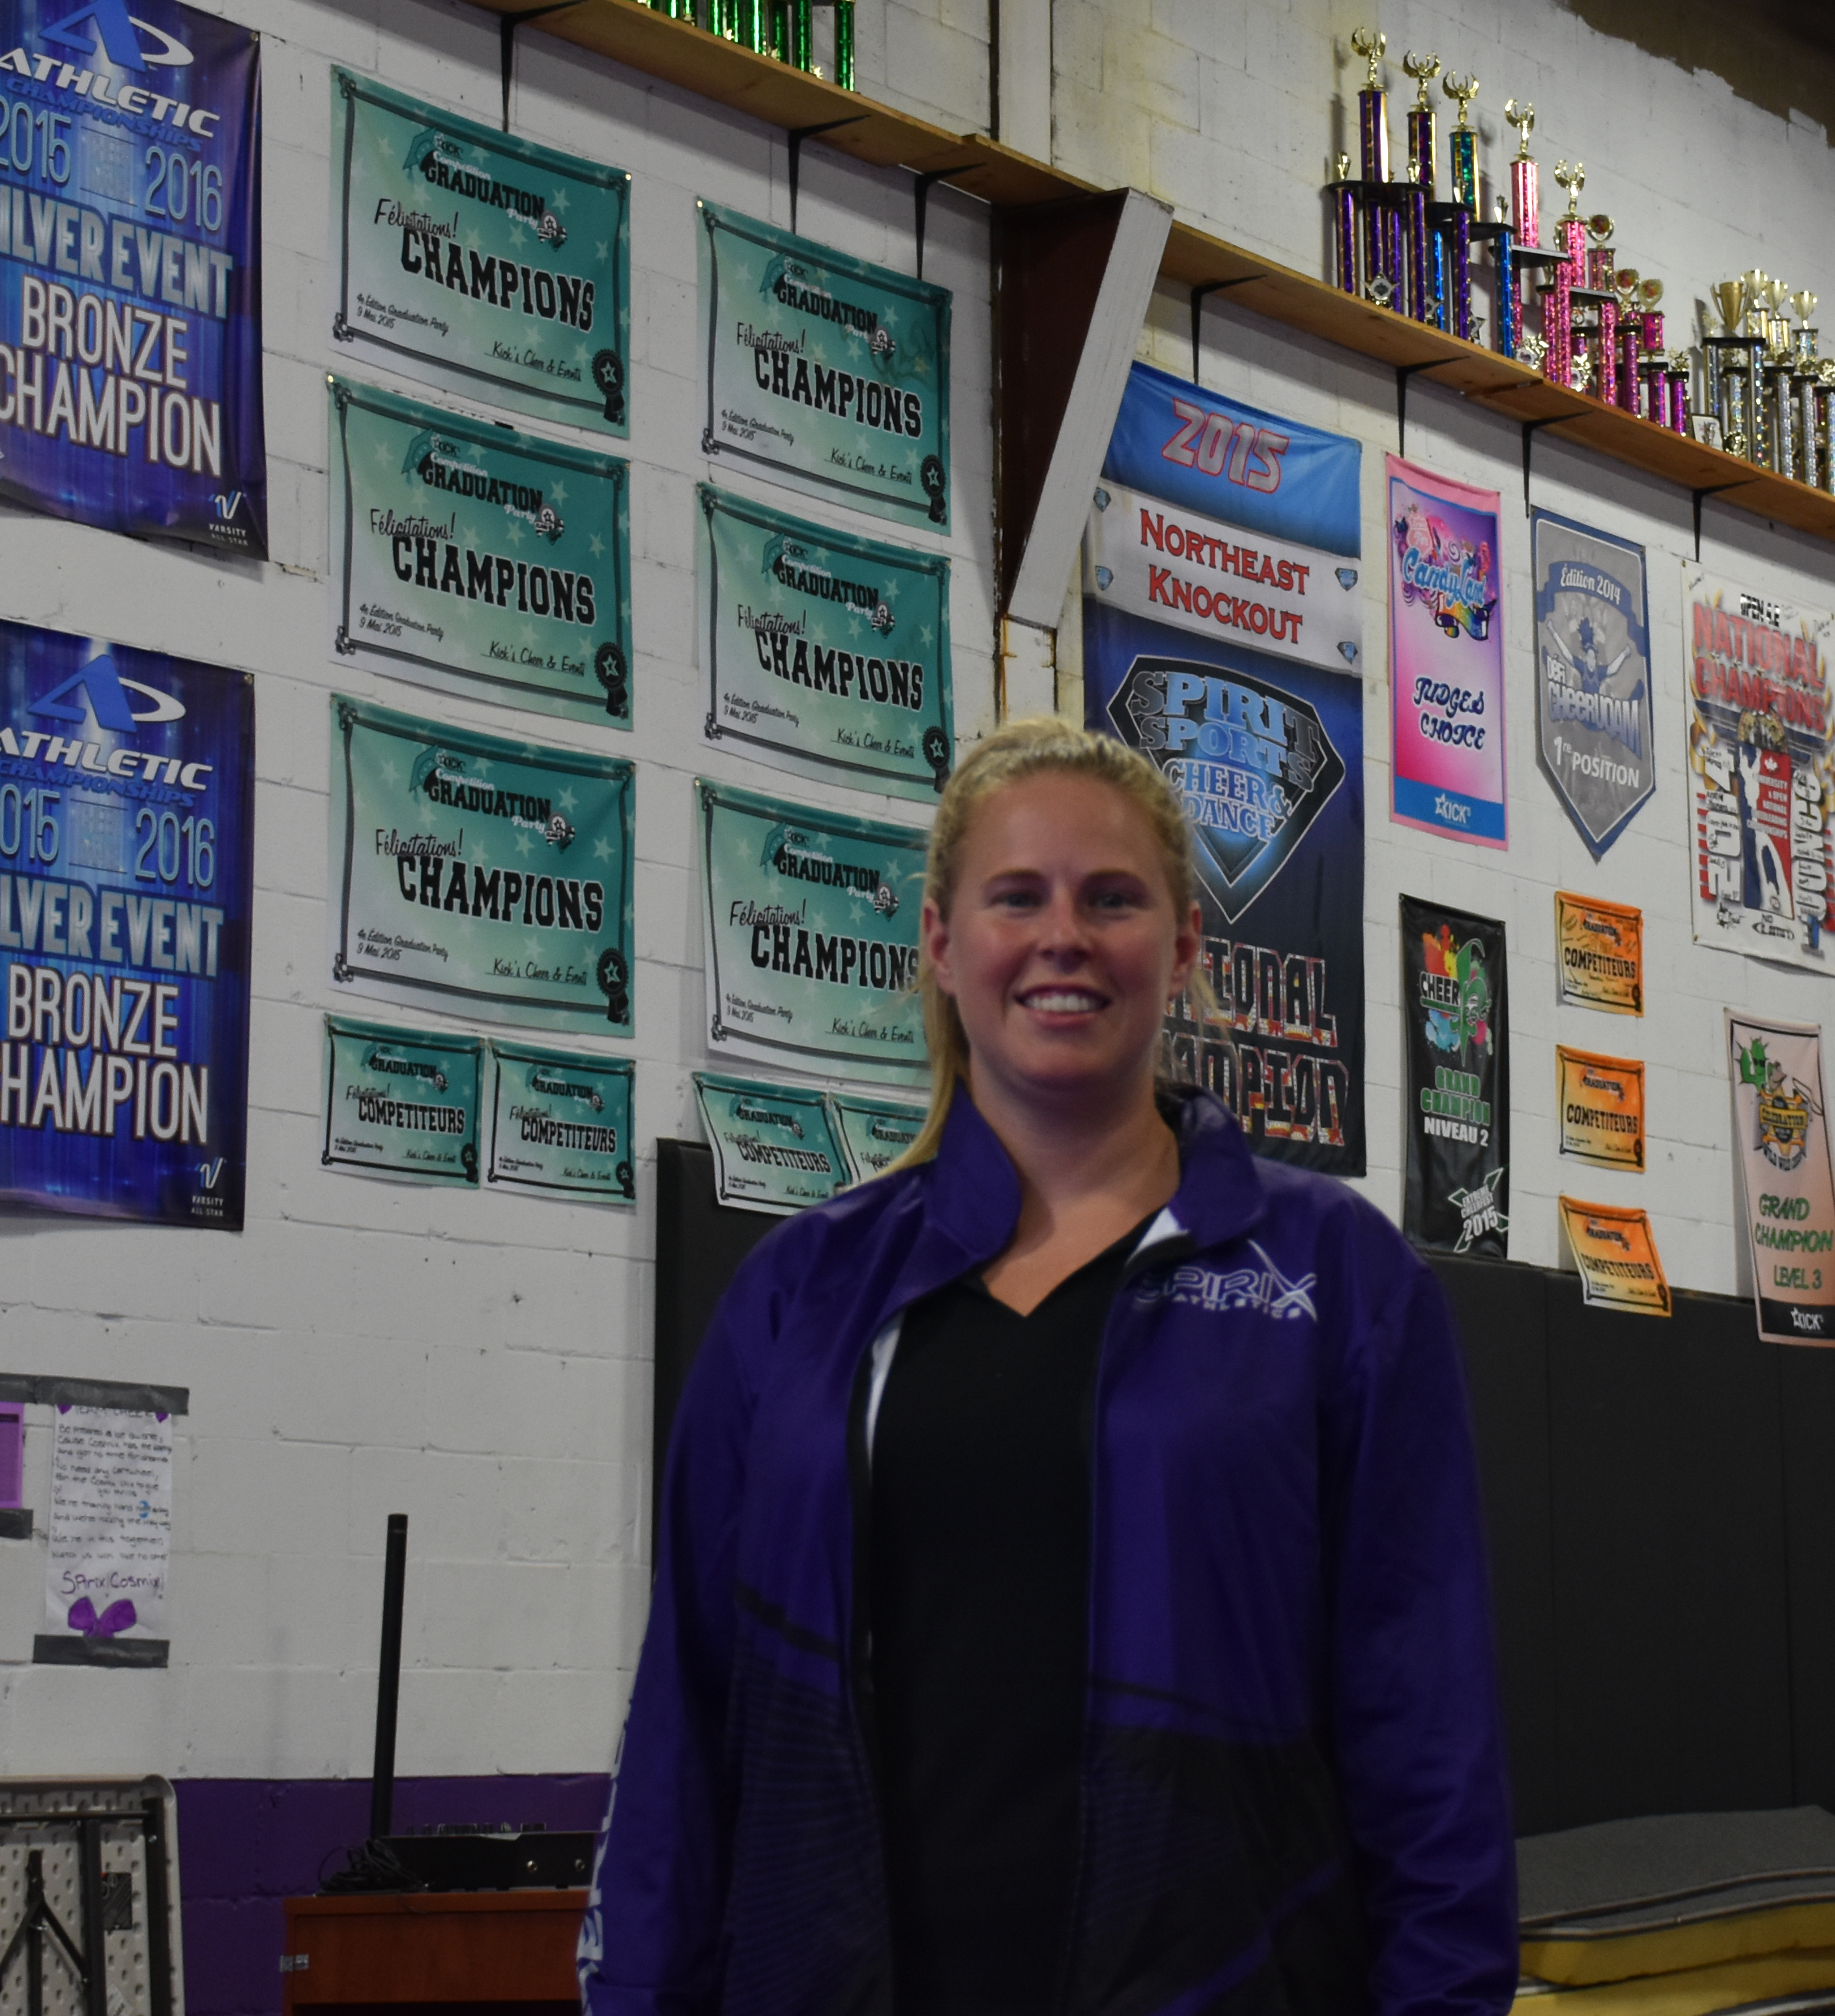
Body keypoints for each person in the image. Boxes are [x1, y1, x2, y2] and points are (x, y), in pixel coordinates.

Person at [583, 717, 1515, 2016]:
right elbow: (687, 1720)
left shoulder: (1340, 1281)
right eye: (1016, 895)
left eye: (1113, 897)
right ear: (942, 942)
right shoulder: (800, 1299)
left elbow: (1429, 1728)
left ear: (1186, 943)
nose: (1063, 935)